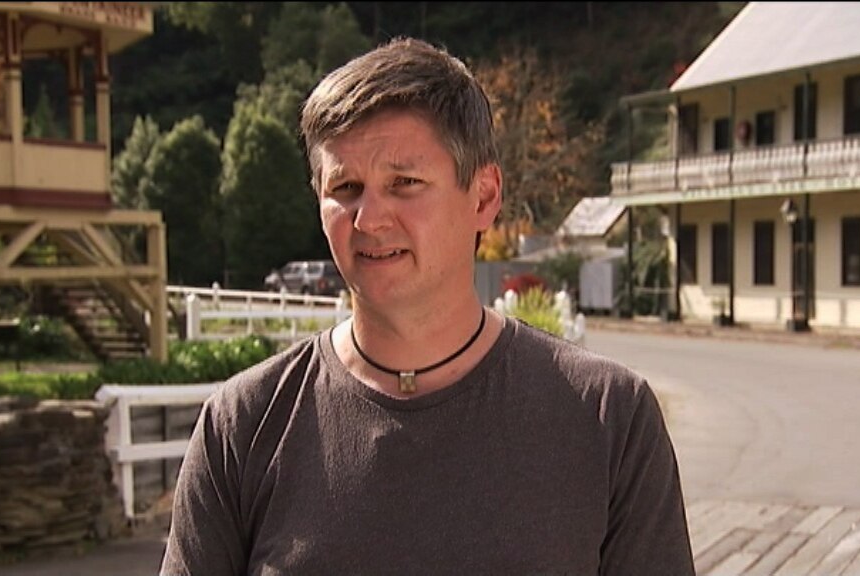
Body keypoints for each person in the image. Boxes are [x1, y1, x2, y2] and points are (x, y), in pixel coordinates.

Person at [161, 37, 695, 575]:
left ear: (484, 196)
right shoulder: (243, 426)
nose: (369, 218)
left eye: (405, 183)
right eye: (345, 187)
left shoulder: (606, 417)